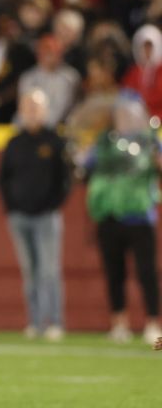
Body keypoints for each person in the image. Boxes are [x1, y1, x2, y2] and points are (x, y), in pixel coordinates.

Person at [81, 92, 162, 345]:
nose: (127, 118)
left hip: (139, 215)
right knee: (114, 273)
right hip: (109, 214)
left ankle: (153, 323)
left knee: (146, 272)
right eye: (122, 113)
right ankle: (119, 323)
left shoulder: (150, 140)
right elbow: (86, 170)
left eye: (131, 112)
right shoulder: (104, 141)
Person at [0, 89, 70, 341]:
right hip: (20, 217)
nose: (32, 112)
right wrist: (11, 207)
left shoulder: (54, 141)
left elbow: (65, 179)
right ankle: (35, 321)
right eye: (28, 107)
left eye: (36, 107)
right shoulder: (14, 142)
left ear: (45, 111)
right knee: (30, 270)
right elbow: (2, 179)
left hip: (46, 215)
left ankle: (55, 321)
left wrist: (52, 205)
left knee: (49, 270)